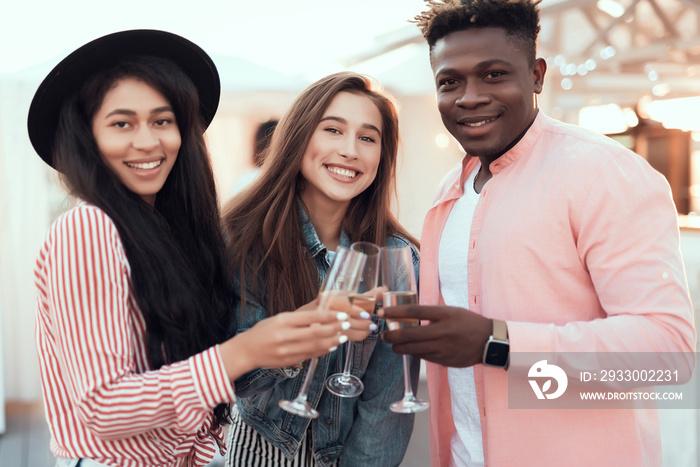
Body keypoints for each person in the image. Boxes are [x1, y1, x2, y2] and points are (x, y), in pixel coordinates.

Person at [379, 1, 697, 466]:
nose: (469, 97)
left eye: (493, 75)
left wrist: (498, 342)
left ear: (536, 76)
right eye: (450, 82)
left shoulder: (604, 174)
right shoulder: (450, 190)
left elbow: (667, 352)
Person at [28, 30, 365, 467]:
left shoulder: (164, 228)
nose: (148, 142)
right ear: (86, 136)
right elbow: (104, 406)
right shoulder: (89, 228)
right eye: (121, 123)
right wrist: (244, 351)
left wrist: (292, 330)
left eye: (162, 121)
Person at [221, 71, 421, 467]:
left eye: (367, 138)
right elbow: (236, 378)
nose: (350, 150)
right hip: (258, 452)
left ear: (382, 157)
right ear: (299, 136)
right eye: (332, 130)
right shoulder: (243, 238)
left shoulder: (398, 258)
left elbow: (386, 404)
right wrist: (307, 332)